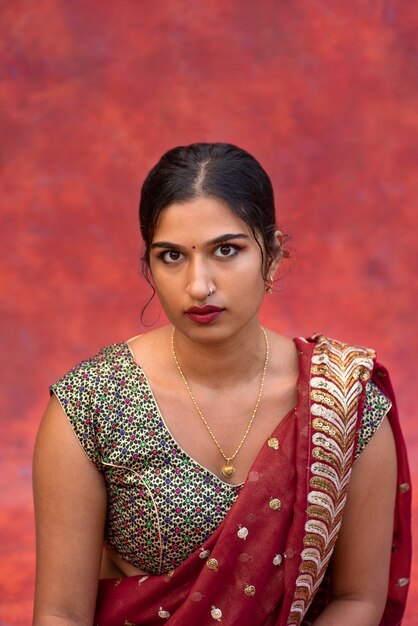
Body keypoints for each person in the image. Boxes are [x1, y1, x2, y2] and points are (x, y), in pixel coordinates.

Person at [32, 143, 411, 626]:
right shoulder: (90, 405)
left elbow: (358, 600)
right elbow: (62, 613)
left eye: (226, 250)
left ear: (271, 257)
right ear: (149, 268)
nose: (198, 285)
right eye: (171, 256)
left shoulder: (342, 402)